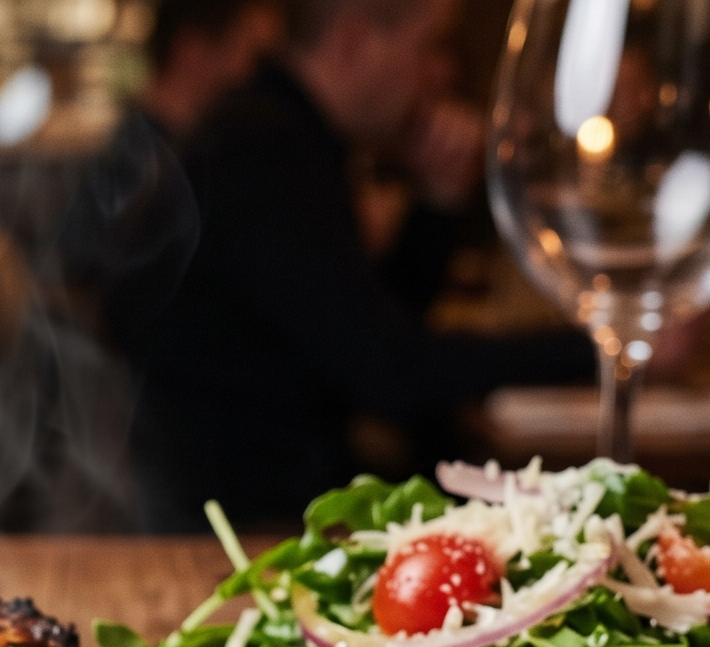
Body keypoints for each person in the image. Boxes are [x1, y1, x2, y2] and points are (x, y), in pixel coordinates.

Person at [127, 0, 589, 532]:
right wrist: (598, 345)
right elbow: (388, 372)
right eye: (431, 46)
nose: (445, 73)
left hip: (277, 502)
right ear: (352, 38)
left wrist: (435, 207)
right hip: (242, 529)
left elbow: (377, 335)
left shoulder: (287, 133)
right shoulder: (262, 150)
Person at [57, 0, 283, 351]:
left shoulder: (177, 148)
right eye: (250, 53)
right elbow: (91, 280)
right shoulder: (142, 159)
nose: (256, 72)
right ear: (191, 51)